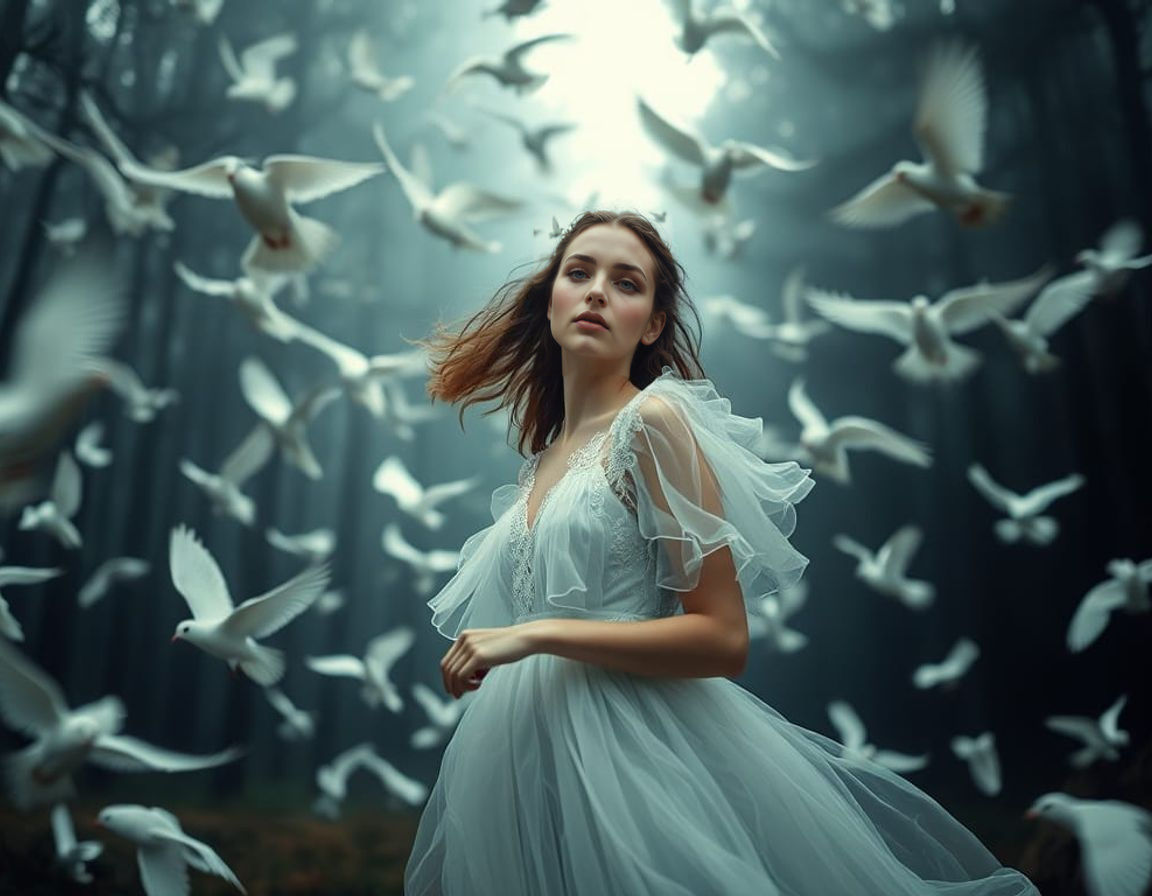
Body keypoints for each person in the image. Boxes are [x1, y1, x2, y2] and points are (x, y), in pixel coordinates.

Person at [403, 210, 1040, 894]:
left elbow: (722, 636)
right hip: (520, 762)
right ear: (550, 296)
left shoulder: (651, 424)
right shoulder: (544, 459)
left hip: (627, 759)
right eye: (579, 272)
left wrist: (532, 635)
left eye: (626, 282)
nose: (594, 293)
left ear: (651, 324)